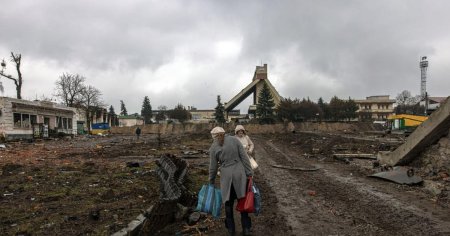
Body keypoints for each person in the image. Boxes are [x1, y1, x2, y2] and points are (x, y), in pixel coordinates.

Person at [209, 127, 254, 236]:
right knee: (242, 201)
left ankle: (231, 230)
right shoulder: (235, 140)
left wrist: (211, 181)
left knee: (228, 204)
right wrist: (249, 173)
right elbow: (244, 157)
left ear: (213, 136)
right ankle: (246, 229)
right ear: (224, 132)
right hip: (239, 174)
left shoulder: (214, 147)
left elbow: (213, 168)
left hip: (226, 177)